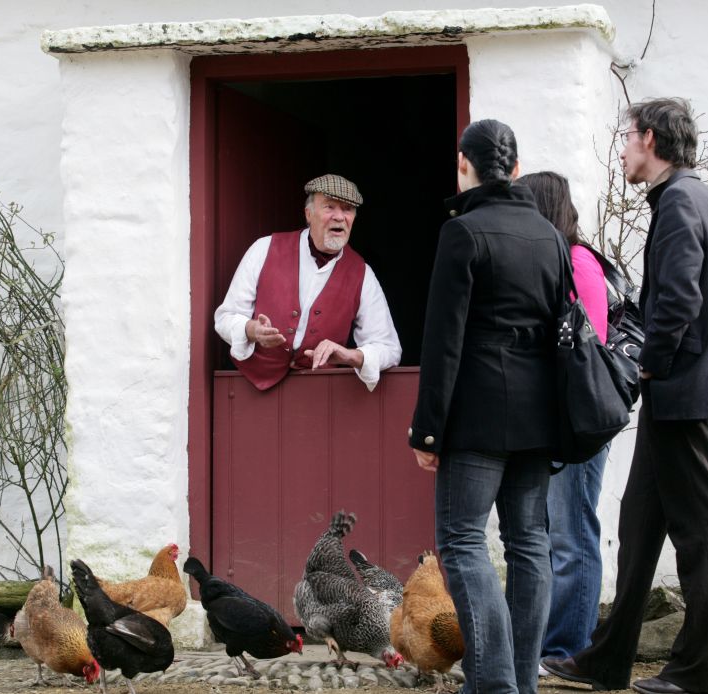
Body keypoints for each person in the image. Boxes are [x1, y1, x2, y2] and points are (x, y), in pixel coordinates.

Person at [542, 98, 708, 694]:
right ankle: (607, 660)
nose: (621, 151)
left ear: (652, 139)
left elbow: (680, 300)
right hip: (681, 387)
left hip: (682, 387)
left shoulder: (682, 201)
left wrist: (648, 365)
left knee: (705, 530)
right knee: (639, 527)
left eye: (626, 138)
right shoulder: (699, 198)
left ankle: (703, 673)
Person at [410, 120, 573, 694]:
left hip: (478, 418)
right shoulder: (550, 236)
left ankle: (497, 684)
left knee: (462, 541)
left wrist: (427, 432)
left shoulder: (462, 232)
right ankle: (520, 683)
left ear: (464, 164)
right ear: (517, 169)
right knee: (529, 545)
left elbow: (443, 341)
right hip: (539, 417)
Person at [517, 171, 610, 668]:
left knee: (572, 534)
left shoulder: (578, 262)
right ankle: (549, 643)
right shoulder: (555, 262)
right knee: (554, 533)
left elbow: (585, 351)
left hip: (578, 422)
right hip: (554, 420)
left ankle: (567, 648)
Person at [214, 174, 401, 391]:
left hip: (319, 394)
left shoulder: (362, 274)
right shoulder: (264, 248)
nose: (339, 217)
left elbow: (388, 348)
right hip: (249, 390)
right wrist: (251, 330)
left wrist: (350, 355)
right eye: (329, 207)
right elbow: (225, 318)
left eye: (347, 209)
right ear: (308, 214)